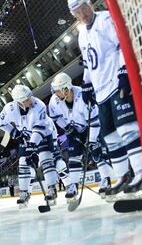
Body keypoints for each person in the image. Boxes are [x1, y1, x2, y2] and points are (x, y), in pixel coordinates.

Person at [67, 0, 142, 197]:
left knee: (127, 128)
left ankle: (141, 172)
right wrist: (86, 84)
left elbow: (123, 45)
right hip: (101, 91)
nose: (82, 14)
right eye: (77, 13)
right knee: (109, 136)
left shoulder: (106, 20)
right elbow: (88, 63)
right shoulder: (82, 33)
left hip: (116, 84)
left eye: (84, 9)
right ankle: (123, 177)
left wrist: (123, 73)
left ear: (90, 3)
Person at [49, 72, 114, 200]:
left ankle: (106, 180)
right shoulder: (54, 101)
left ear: (66, 89)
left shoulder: (83, 97)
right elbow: (56, 117)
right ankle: (73, 185)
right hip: (74, 130)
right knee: (74, 157)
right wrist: (67, 128)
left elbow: (95, 121)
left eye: (57, 91)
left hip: (93, 127)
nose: (55, 94)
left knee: (97, 154)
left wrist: (92, 141)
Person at [0, 85, 60, 208]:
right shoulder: (9, 109)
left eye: (30, 96)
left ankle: (52, 189)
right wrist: (14, 133)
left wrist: (32, 146)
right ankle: (25, 193)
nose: (31, 100)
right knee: (23, 164)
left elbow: (39, 127)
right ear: (19, 102)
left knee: (46, 161)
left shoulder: (39, 105)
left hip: (43, 134)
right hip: (26, 137)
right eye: (26, 99)